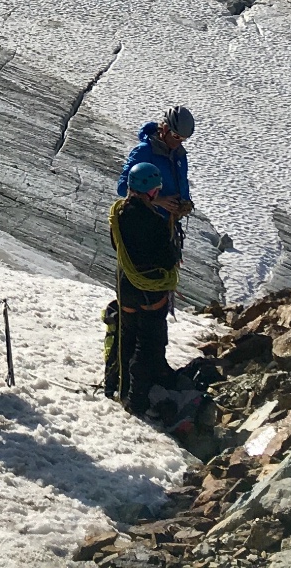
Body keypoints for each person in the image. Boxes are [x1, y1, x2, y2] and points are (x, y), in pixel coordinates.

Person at [107, 160, 181, 414]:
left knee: (126, 336)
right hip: (150, 290)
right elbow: (167, 258)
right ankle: (136, 399)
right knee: (146, 342)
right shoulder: (155, 222)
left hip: (126, 285)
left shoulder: (119, 215)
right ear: (152, 191)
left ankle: (117, 384)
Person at [117, 105, 195, 218]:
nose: (178, 143)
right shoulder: (145, 151)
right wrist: (159, 200)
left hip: (166, 225)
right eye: (176, 136)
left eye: (183, 139)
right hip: (144, 221)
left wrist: (185, 203)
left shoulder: (179, 155)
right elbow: (123, 187)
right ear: (164, 128)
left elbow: (182, 182)